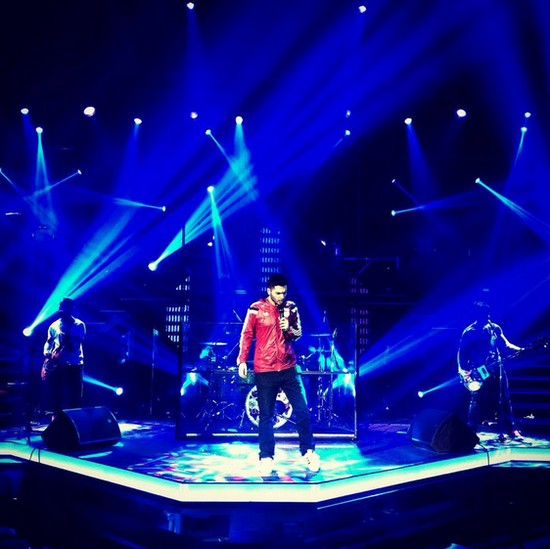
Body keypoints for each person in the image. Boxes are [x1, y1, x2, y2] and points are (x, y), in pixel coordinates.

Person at [237, 273, 321, 475]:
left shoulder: (291, 307)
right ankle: (266, 457)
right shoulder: (256, 308)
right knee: (266, 416)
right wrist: (242, 360)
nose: (282, 296)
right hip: (265, 369)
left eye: (284, 292)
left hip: (288, 367)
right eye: (278, 293)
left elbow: (298, 333)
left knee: (302, 410)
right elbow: (247, 335)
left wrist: (289, 328)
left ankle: (308, 452)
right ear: (269, 290)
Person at [457, 301, 524, 440]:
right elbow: (461, 353)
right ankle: (471, 430)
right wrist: (464, 370)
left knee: (504, 398)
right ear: (477, 315)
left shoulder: (494, 328)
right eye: (483, 315)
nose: (487, 318)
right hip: (480, 369)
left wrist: (521, 349)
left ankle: (511, 429)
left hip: (496, 367)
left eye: (488, 315)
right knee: (477, 399)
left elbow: (505, 344)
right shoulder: (470, 332)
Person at [42, 297, 86, 419]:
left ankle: (75, 421)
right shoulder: (54, 326)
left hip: (74, 365)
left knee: (75, 395)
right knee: (56, 394)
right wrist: (47, 356)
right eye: (61, 307)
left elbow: (73, 347)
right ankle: (56, 420)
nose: (62, 309)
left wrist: (61, 352)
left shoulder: (79, 325)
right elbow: (49, 342)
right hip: (58, 365)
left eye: (65, 307)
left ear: (71, 308)